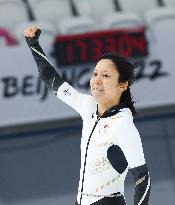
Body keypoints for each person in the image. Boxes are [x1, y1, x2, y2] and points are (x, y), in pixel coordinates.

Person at [23, 26, 151, 205]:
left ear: (122, 85)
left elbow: (142, 179)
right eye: (95, 73)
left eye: (105, 75)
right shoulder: (87, 106)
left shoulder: (123, 125)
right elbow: (53, 82)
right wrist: (33, 44)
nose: (97, 79)